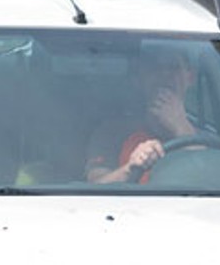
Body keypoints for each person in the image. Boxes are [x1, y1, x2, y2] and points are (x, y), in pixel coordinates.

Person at [85, 48, 200, 183]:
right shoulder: (112, 132)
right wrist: (131, 167)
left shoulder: (209, 138)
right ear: (139, 79)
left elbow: (211, 177)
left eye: (173, 67)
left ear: (191, 77)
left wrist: (182, 128)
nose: (164, 74)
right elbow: (96, 184)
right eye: (155, 68)